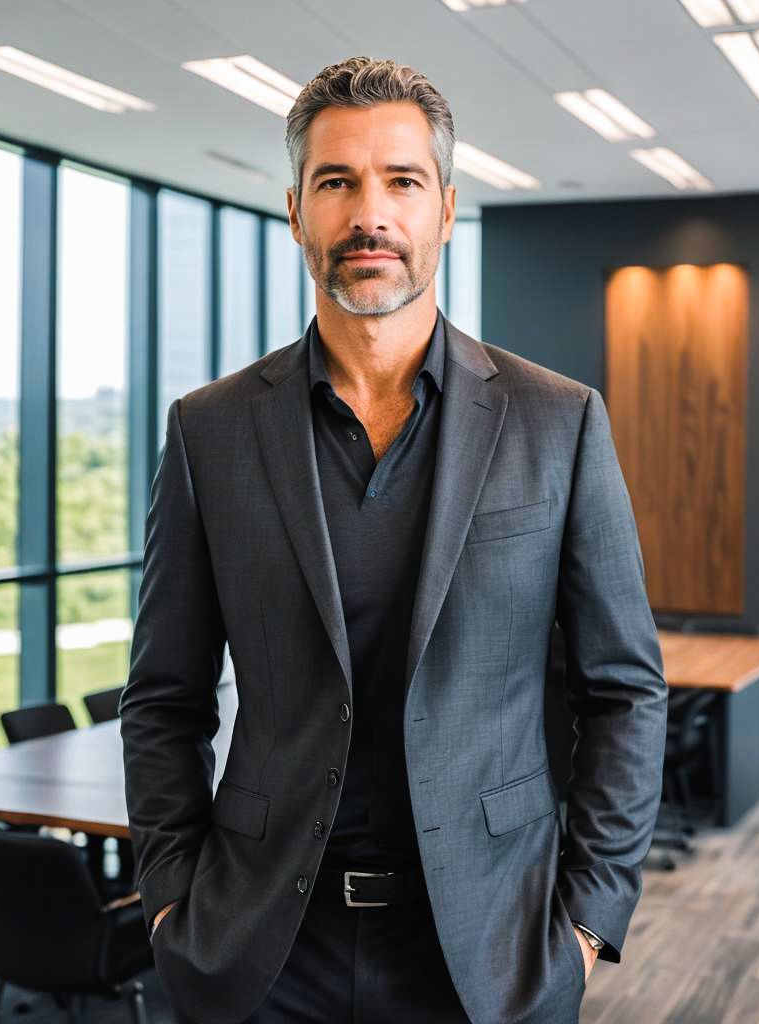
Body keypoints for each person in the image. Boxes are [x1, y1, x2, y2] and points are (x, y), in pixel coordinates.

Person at [119, 55, 668, 1024]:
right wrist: (170, 895)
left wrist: (587, 917)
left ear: (444, 209)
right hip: (261, 947)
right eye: (336, 181)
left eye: (400, 180)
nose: (368, 211)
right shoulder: (209, 428)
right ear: (296, 210)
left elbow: (622, 688)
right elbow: (164, 694)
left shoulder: (556, 418)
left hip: (492, 945)